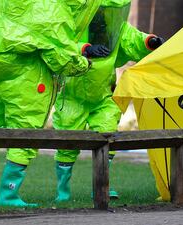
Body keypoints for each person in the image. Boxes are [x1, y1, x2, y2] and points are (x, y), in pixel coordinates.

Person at [0, 0, 104, 207]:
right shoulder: (55, 10)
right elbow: (62, 58)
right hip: (17, 65)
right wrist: (85, 64)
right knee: (26, 125)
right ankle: (8, 194)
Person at [52, 0, 164, 202]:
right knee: (67, 143)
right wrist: (84, 49)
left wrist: (150, 42)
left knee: (107, 138)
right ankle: (62, 192)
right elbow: (60, 43)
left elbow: (132, 38)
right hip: (72, 97)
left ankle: (101, 188)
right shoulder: (74, 21)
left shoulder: (114, 26)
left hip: (103, 95)